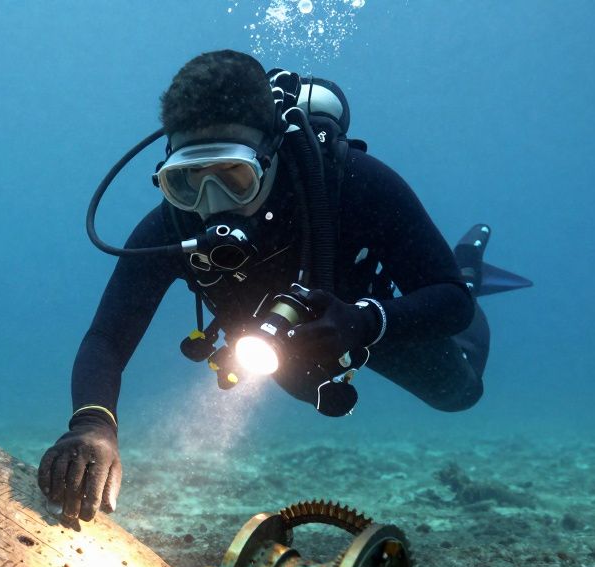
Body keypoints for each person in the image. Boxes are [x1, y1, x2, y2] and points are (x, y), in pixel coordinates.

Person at [38, 50, 529, 522]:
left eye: (234, 176)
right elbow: (106, 338)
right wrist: (93, 424)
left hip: (368, 322)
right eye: (187, 182)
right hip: (281, 345)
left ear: (269, 157)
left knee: (460, 393)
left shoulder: (352, 183)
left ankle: (469, 262)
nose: (211, 205)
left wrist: (364, 320)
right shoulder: (169, 227)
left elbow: (450, 302)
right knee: (298, 381)